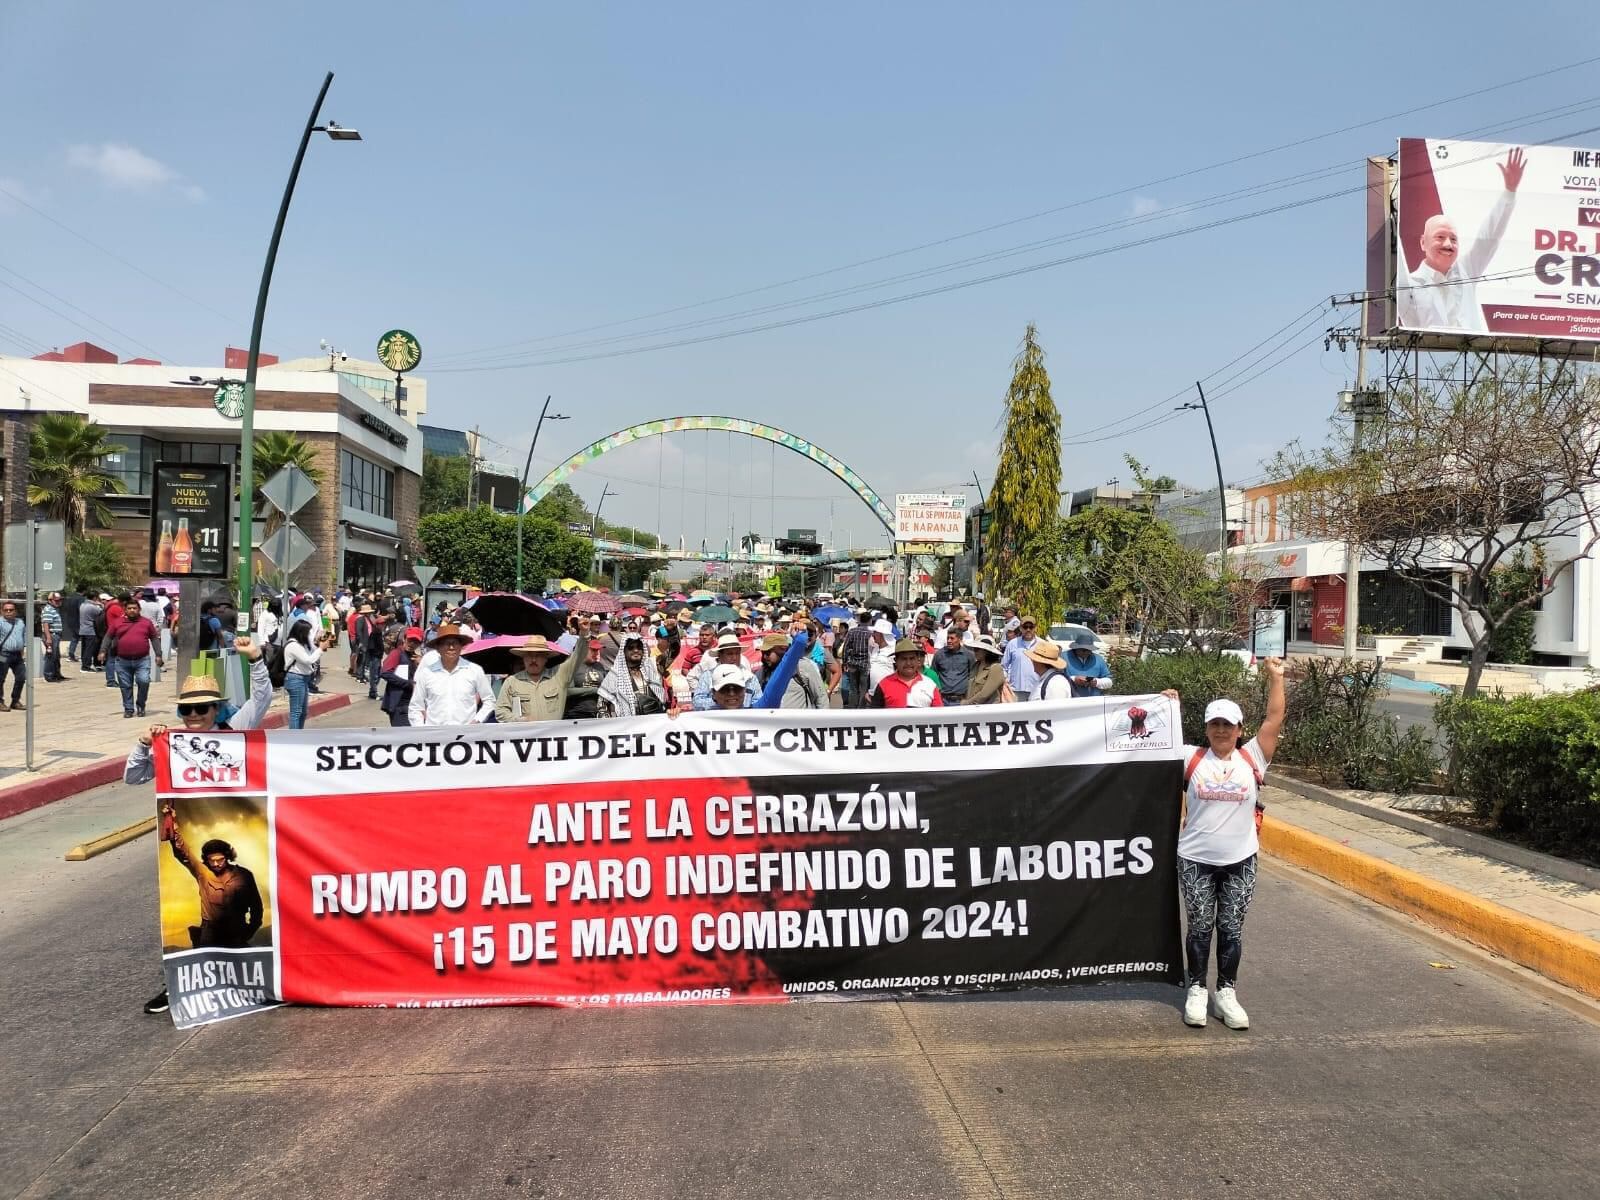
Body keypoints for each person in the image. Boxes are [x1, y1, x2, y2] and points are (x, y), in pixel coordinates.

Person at [1162, 658, 1287, 1031]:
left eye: (1227, 725)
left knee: (1231, 928)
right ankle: (1197, 989)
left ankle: (1227, 992)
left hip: (1241, 860)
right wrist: (1166, 705)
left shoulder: (1253, 757)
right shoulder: (1189, 758)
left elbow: (1274, 719)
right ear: (1206, 727)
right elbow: (1147, 740)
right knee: (1200, 926)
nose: (1221, 731)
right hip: (1196, 859)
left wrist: (1276, 677)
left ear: (1238, 729)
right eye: (1214, 724)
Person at [1396, 147, 1524, 334]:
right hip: (1430, 355)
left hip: (1473, 353)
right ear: (1423, 243)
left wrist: (1509, 192)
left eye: (1453, 239)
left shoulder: (1466, 271)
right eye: (1440, 237)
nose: (1448, 244)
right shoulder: (1411, 285)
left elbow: (1489, 238)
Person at [408, 624, 494, 726]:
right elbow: (415, 707)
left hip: (466, 735)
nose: (451, 647)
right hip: (434, 736)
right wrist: (421, 730)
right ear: (438, 648)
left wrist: (477, 720)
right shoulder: (426, 673)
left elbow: (490, 701)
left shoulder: (475, 670)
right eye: (446, 644)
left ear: (461, 646)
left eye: (455, 643)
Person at [496, 635, 583, 722]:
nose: (533, 660)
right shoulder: (511, 682)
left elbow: (578, 657)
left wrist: (584, 634)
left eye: (538, 656)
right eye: (529, 655)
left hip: (553, 733)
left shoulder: (558, 676)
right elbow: (500, 712)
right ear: (523, 658)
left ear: (546, 658)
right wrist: (520, 721)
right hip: (525, 734)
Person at [109, 600, 164, 718]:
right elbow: (108, 637)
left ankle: (141, 705)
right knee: (125, 685)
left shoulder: (146, 623)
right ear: (125, 610)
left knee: (144, 681)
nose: (132, 610)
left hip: (142, 659)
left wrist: (158, 654)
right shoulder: (117, 622)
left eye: (134, 608)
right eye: (129, 608)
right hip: (122, 660)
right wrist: (103, 651)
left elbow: (154, 638)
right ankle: (128, 709)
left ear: (139, 609)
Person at [598, 634, 667, 717]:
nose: (636, 650)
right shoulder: (615, 674)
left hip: (654, 723)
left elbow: (673, 652)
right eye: (631, 648)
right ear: (624, 651)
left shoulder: (652, 667)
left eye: (639, 647)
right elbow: (602, 703)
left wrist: (672, 631)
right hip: (630, 725)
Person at [755, 632, 824, 710]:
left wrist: (823, 721)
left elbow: (821, 697)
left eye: (767, 653)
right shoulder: (762, 672)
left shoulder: (802, 667)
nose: (764, 657)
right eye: (763, 653)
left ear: (782, 650)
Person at [692, 633, 758, 710]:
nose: (734, 657)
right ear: (720, 655)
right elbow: (697, 702)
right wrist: (722, 702)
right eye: (730, 654)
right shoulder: (708, 676)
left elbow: (758, 702)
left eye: (737, 653)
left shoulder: (751, 678)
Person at [869, 638, 942, 708]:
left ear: (917, 660)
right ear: (896, 661)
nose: (908, 663)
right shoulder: (883, 684)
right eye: (904, 659)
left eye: (912, 658)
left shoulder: (930, 685)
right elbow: (875, 716)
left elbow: (939, 715)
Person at [282, 620, 323, 730]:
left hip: (303, 679)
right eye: (308, 632)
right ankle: (294, 739)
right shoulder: (293, 645)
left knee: (303, 712)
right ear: (301, 632)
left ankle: (299, 734)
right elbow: (308, 660)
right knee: (296, 712)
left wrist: (319, 642)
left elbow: (312, 651)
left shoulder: (301, 643)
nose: (309, 635)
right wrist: (321, 649)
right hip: (295, 679)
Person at [379, 627, 424, 726]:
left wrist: (422, 664)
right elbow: (385, 673)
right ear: (404, 639)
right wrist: (409, 684)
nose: (412, 644)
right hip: (399, 703)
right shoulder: (397, 653)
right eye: (410, 640)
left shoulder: (414, 657)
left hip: (411, 703)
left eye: (416, 642)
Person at [563, 637, 609, 720]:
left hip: (599, 713)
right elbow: (568, 691)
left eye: (598, 650)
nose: (597, 653)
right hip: (577, 713)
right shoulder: (573, 666)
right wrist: (594, 690)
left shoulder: (599, 666)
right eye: (593, 650)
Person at [1001, 616, 1043, 700]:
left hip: (1037, 690)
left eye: (1031, 627)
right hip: (1016, 690)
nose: (1028, 629)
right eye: (1025, 627)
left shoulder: (1042, 644)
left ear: (1035, 628)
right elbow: (1003, 666)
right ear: (1020, 628)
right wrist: (1005, 682)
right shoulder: (1012, 644)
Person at [931, 627, 976, 705]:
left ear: (960, 639)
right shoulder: (939, 655)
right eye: (948, 638)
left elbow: (972, 676)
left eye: (952, 638)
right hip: (942, 699)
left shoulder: (968, 655)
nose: (949, 641)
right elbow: (933, 674)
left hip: (961, 700)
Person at [963, 635, 1008, 705]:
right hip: (974, 709)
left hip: (988, 711)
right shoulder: (975, 666)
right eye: (974, 649)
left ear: (986, 651)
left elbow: (984, 694)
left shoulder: (996, 668)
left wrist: (967, 703)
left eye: (977, 649)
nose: (974, 652)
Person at [0, 598, 27, 710]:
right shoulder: (0, 623)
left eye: (11, 610)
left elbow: (24, 636)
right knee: (0, 678)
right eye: (6, 610)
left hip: (17, 655)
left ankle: (15, 701)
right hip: (3, 654)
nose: (8, 612)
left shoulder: (20, 622)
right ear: (2, 611)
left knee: (21, 677)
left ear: (15, 611)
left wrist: (23, 650)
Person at [40, 592, 64, 682]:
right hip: (51, 635)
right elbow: (46, 624)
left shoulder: (54, 609)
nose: (59, 602)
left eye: (60, 600)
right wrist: (48, 638)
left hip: (56, 635)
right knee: (51, 656)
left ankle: (56, 674)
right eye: (56, 600)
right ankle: (49, 675)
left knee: (56, 656)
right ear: (50, 600)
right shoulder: (48, 609)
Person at [77, 592, 103, 674]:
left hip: (83, 629)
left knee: (84, 649)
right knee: (89, 649)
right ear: (95, 598)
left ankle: (84, 665)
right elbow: (101, 611)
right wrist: (100, 604)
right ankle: (86, 667)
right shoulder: (92, 607)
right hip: (90, 630)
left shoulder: (82, 605)